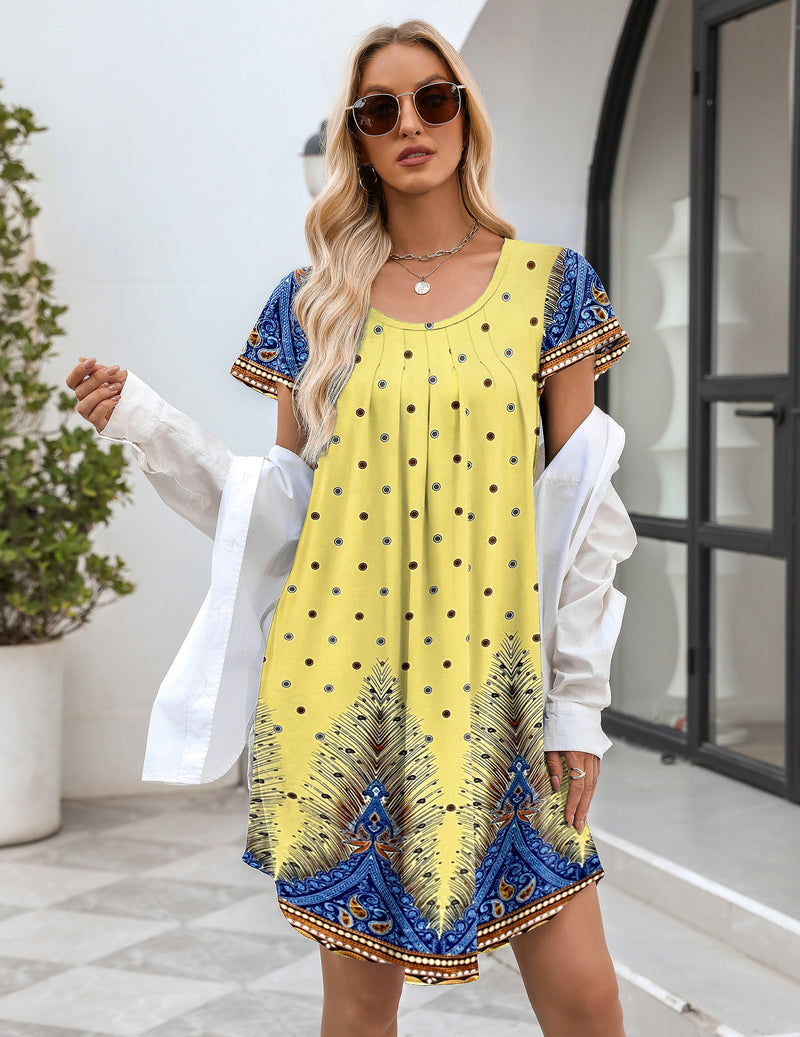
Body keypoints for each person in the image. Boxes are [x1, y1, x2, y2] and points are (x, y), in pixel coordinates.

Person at [66, 19, 636, 1037]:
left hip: (500, 693)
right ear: (357, 140)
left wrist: (578, 709)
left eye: (433, 99)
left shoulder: (553, 286)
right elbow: (277, 507)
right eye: (380, 110)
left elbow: (586, 513)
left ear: (465, 116)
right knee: (360, 1008)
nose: (410, 123)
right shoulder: (312, 304)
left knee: (586, 999)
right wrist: (146, 423)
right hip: (341, 696)